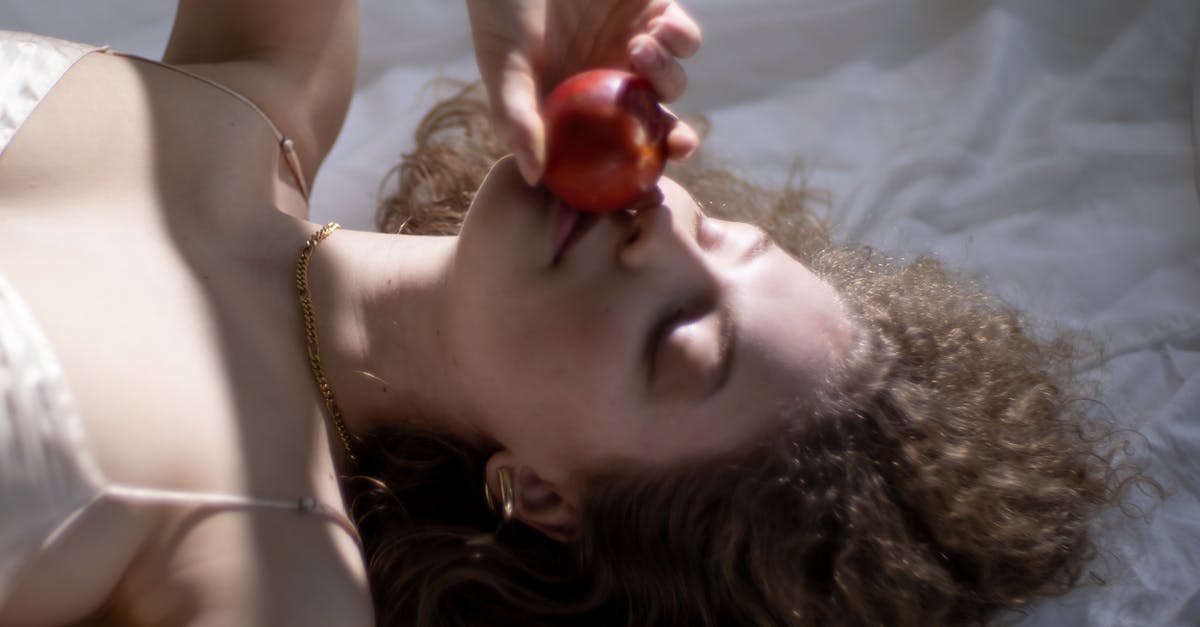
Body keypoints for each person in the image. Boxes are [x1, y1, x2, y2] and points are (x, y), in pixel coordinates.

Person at [0, 1, 1147, 626]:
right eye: (721, 238)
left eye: (679, 340)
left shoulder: (264, 569)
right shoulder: (272, 78)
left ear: (545, 497)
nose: (658, 229)